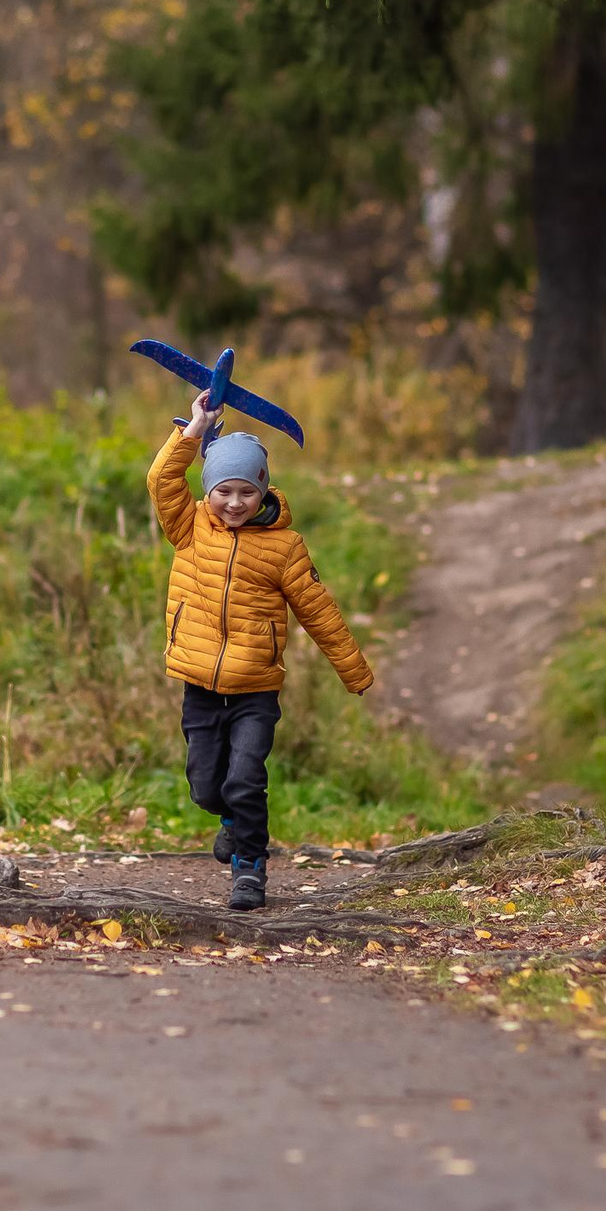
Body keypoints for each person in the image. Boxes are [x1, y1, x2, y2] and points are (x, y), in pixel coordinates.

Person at [147, 388, 376, 909]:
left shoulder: (284, 546)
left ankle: (249, 869)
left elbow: (319, 611)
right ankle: (228, 821)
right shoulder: (189, 529)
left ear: (263, 490)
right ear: (208, 492)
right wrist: (195, 430)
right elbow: (161, 481)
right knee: (208, 788)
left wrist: (353, 670)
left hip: (255, 688)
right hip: (200, 685)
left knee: (246, 780)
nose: (234, 503)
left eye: (246, 492)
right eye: (223, 491)